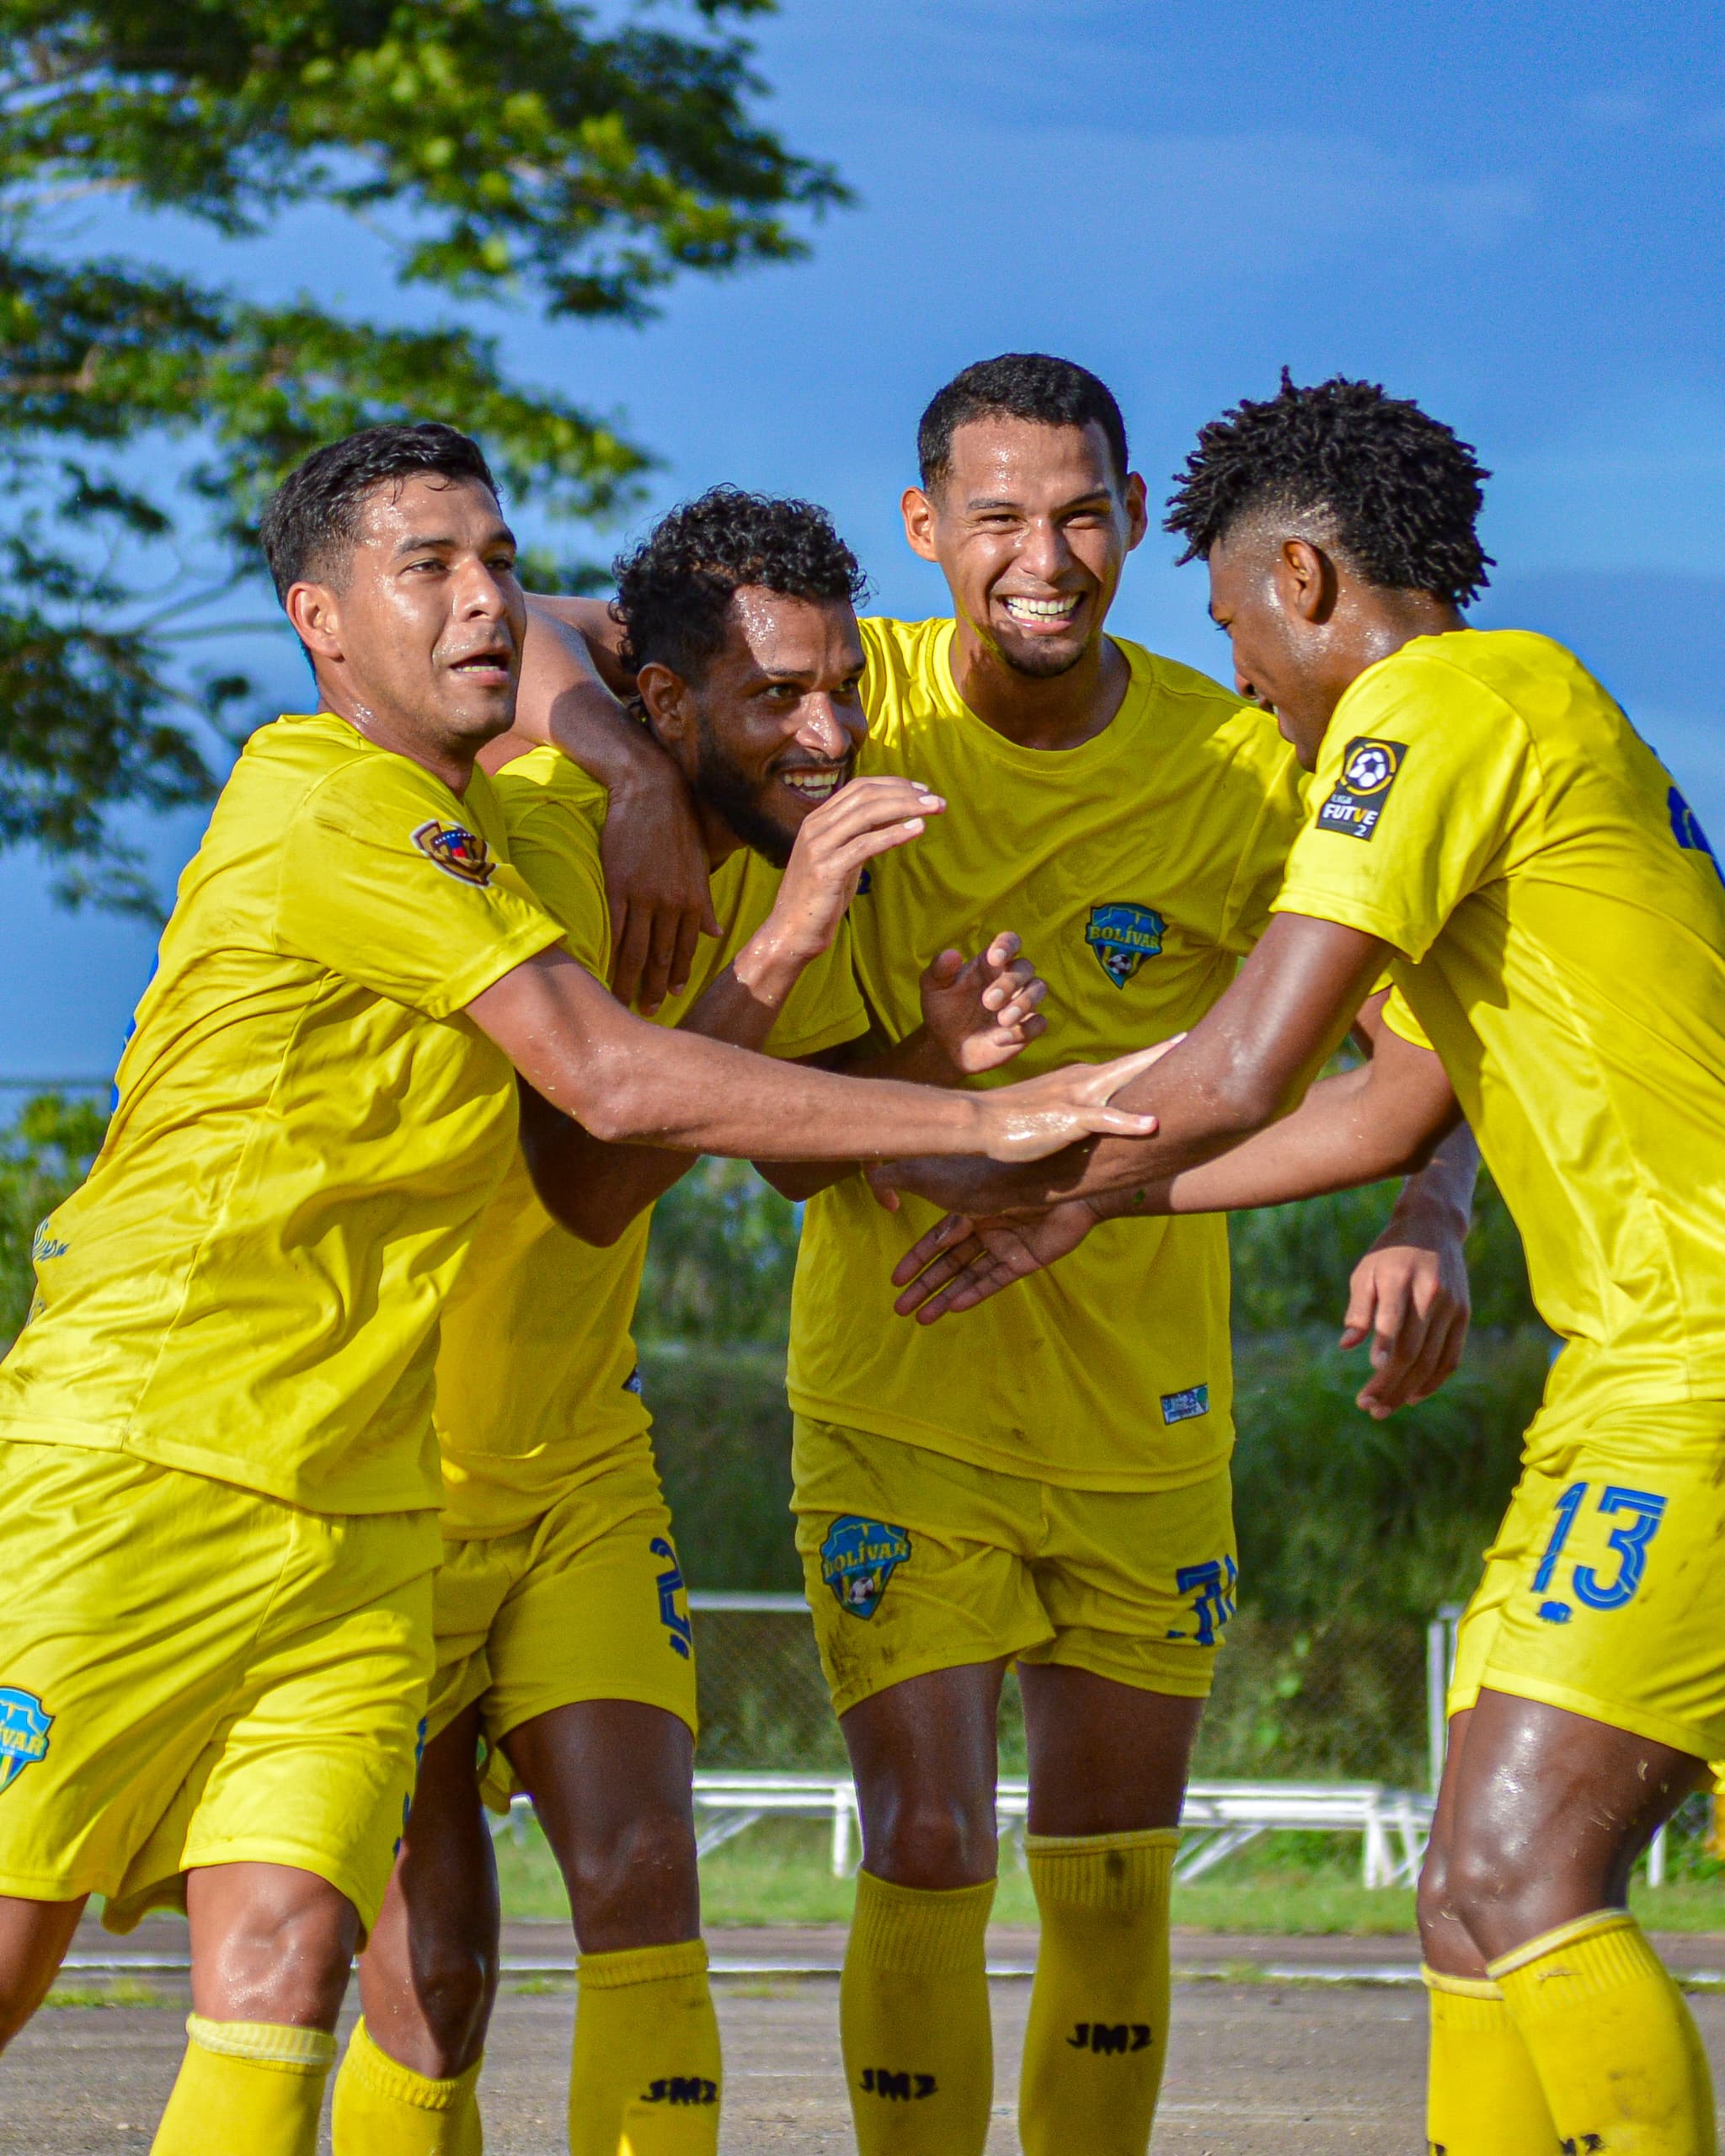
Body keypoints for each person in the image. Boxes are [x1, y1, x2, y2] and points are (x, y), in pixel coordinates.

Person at [0, 420, 1162, 2155]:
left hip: (368, 1490)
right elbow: (611, 1090)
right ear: (320, 618)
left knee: (298, 1954)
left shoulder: (524, 820)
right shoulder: (327, 802)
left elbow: (639, 1139)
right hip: (144, 1452)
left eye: (494, 560)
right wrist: (976, 1103)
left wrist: (940, 1070)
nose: (482, 600)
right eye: (429, 570)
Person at [555, 355, 1477, 2156]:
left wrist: (1425, 1208)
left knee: (1115, 1886)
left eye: (1076, 513)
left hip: (1144, 1405)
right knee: (920, 1844)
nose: (1039, 554)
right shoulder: (840, 693)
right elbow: (542, 625)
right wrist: (634, 777)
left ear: (1135, 518)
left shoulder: (1242, 762)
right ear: (925, 531)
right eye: (993, 516)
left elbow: (1418, 1028)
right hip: (899, 1385)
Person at [885, 371, 1725, 2156]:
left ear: (1307, 580)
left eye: (1236, 625)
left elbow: (1239, 1066)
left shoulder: (1430, 710)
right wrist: (1085, 1206)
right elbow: (1374, 1110)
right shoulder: (1518, 714)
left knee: (1513, 1869)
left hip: (1700, 1359)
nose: (1243, 676)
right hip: (1633, 1368)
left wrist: (983, 1146)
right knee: (1459, 1900)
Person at [333, 488, 1052, 2156]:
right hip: (384, 1458)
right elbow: (588, 1176)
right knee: (434, 1962)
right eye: (772, 699)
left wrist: (935, 1074)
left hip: (579, 1453)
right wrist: (687, 827)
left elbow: (792, 1151)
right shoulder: (538, 824)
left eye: (842, 692)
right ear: (667, 703)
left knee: (649, 1876)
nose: (825, 732)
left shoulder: (796, 856)